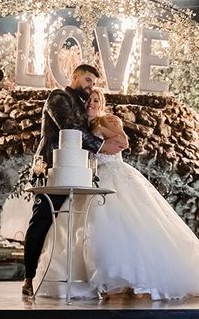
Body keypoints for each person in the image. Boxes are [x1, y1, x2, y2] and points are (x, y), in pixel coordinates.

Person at [34, 88, 199, 301]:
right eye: (88, 100)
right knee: (86, 227)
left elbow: (123, 142)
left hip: (115, 175)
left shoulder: (106, 121)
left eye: (95, 100)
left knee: (124, 222)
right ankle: (98, 279)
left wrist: (103, 137)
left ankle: (131, 278)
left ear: (101, 103)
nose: (91, 104)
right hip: (92, 179)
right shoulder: (80, 126)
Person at [22, 65, 126, 296]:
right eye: (87, 80)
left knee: (78, 227)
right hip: (52, 168)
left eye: (93, 83)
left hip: (79, 173)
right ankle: (29, 277)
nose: (90, 86)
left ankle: (81, 278)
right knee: (42, 221)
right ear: (75, 77)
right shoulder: (58, 98)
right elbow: (69, 128)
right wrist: (100, 145)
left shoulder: (84, 105)